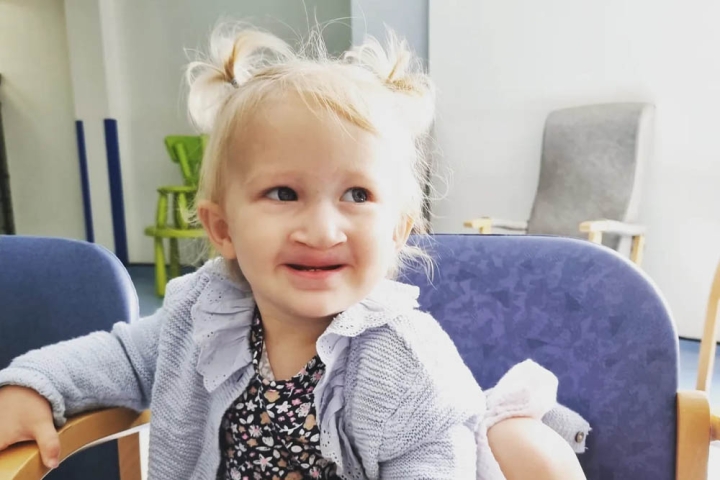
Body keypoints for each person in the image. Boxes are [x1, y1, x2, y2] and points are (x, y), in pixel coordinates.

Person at [0, 23, 586, 479]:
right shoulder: (202, 311)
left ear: (398, 231)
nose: (322, 228)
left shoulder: (406, 363)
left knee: (526, 450)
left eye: (357, 194)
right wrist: (32, 384)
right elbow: (121, 358)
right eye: (284, 193)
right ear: (223, 228)